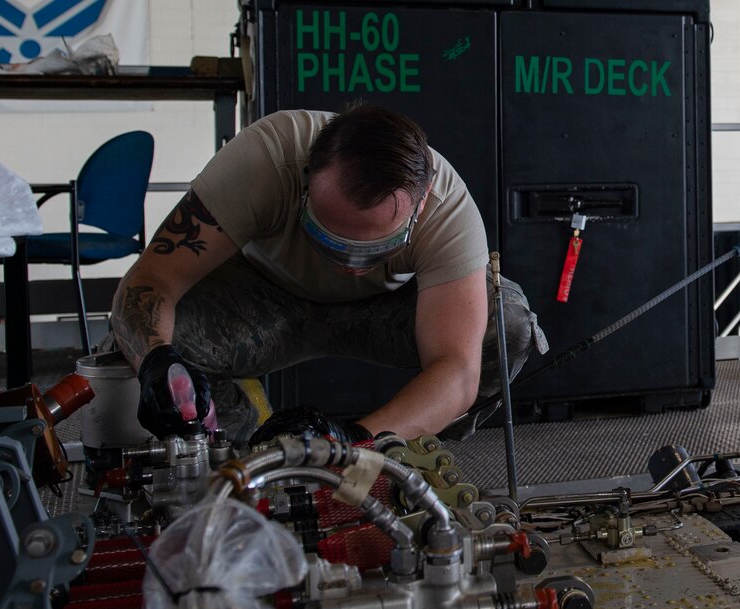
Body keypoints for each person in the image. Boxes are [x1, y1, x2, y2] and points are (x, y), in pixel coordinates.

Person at [104, 103, 546, 443]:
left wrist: (353, 441)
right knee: (135, 341)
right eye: (332, 240)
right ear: (303, 179)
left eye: (374, 249)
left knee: (504, 324)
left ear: (422, 202)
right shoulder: (266, 157)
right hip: (262, 299)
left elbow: (458, 372)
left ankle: (396, 450)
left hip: (379, 314)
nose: (348, 268)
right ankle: (233, 453)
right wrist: (156, 361)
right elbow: (149, 283)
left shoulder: (448, 209)